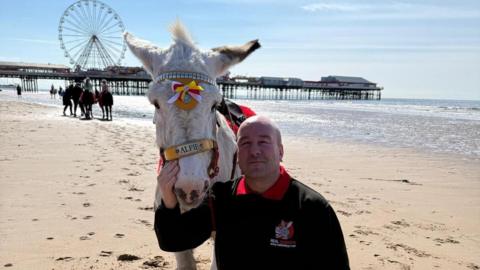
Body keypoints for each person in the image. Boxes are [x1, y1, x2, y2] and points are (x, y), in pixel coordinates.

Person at [155, 116, 350, 270]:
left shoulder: (312, 207)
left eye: (264, 142)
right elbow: (174, 239)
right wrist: (168, 197)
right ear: (237, 154)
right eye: (246, 143)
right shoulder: (222, 198)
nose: (254, 151)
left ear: (280, 151)